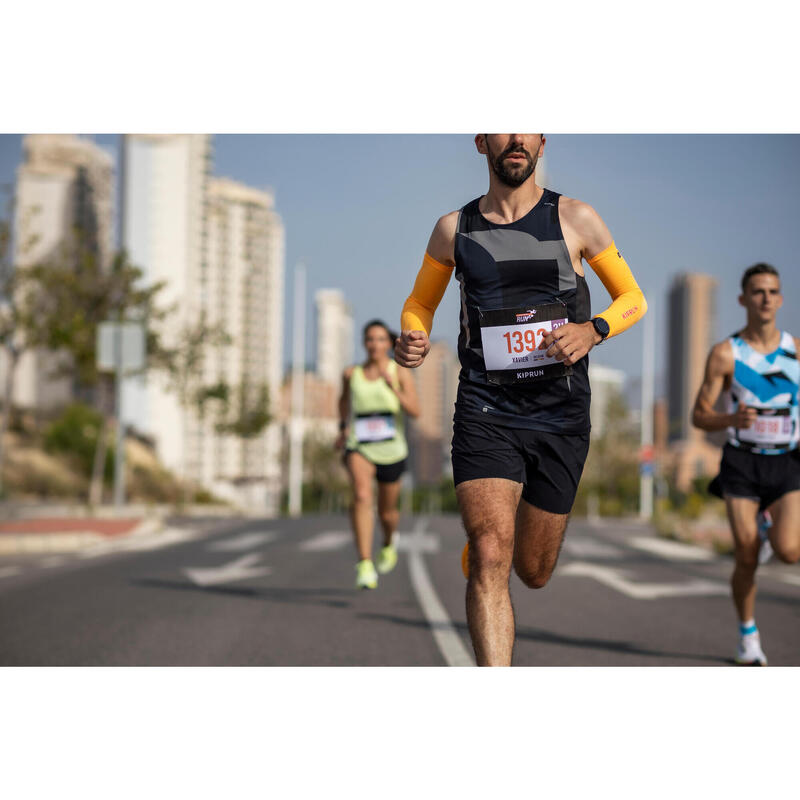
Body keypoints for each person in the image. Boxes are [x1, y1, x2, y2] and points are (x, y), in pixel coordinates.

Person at [395, 134, 647, 665]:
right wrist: (413, 333)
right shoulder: (454, 229)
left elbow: (633, 299)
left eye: (526, 125)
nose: (515, 137)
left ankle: (498, 550)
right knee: (491, 552)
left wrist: (593, 329)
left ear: (540, 140)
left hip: (560, 413)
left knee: (532, 570)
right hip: (486, 407)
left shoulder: (576, 218)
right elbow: (421, 301)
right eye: (502, 125)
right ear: (482, 142)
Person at [692, 263, 800, 665]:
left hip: (787, 462)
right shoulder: (725, 354)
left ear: (781, 299)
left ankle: (769, 524)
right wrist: (731, 419)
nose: (766, 298)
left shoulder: (797, 351)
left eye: (773, 291)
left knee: (789, 553)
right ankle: (748, 635)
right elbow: (699, 416)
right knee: (747, 556)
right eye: (758, 291)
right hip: (741, 462)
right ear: (743, 300)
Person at [337, 319, 420, 589]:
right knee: (361, 495)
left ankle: (387, 542)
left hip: (392, 449)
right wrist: (342, 427)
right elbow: (343, 401)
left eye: (381, 339)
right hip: (359, 445)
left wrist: (392, 388)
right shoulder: (352, 373)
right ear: (364, 343)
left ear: (389, 343)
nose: (375, 344)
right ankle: (364, 564)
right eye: (370, 339)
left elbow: (415, 411)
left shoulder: (399, 372)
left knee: (387, 513)